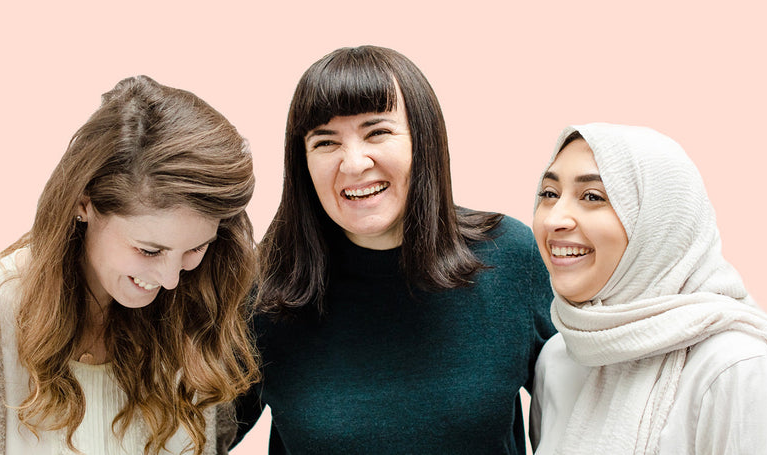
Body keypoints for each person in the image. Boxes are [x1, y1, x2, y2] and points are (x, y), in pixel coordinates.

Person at [0, 75, 258, 455]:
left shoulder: (199, 318)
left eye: (196, 249)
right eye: (149, 250)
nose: (170, 279)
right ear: (84, 202)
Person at [230, 45, 556, 454]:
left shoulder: (510, 255)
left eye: (377, 132)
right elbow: (188, 433)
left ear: (424, 140)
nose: (353, 164)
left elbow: (593, 405)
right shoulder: (265, 287)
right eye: (325, 142)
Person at [529, 123, 767, 454]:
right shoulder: (559, 359)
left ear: (660, 222)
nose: (554, 219)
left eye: (592, 197)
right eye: (549, 194)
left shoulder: (735, 367)